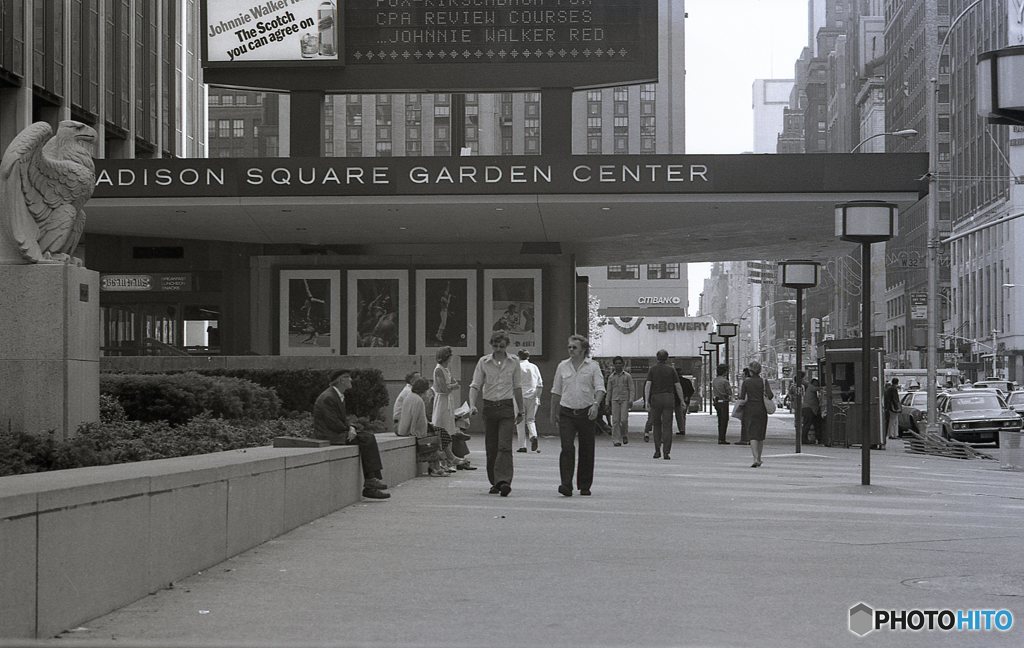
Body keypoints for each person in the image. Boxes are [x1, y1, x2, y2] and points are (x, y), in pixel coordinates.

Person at [313, 370, 390, 499]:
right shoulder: (328, 397)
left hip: (337, 432)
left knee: (368, 437)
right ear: (341, 380)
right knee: (367, 439)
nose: (351, 380)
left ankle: (371, 481)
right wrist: (349, 428)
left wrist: (351, 427)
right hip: (330, 435)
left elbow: (342, 420)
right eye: (348, 378)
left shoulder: (337, 396)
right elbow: (333, 422)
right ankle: (371, 482)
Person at [468, 330, 525, 497]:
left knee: (505, 445)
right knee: (491, 447)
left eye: (501, 346)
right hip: (490, 407)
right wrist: (472, 404)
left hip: (507, 407)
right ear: (491, 345)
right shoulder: (484, 362)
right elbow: (475, 385)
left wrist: (521, 410)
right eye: (495, 346)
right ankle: (494, 482)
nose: (498, 349)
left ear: (506, 346)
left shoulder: (514, 361)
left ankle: (504, 481)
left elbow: (517, 387)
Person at [550, 334, 606, 496]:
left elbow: (600, 388)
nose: (571, 350)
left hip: (586, 412)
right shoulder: (562, 366)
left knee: (587, 449)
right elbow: (556, 390)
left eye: (574, 347)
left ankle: (584, 485)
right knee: (567, 447)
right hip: (566, 412)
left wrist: (595, 405)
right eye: (569, 347)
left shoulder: (593, 366)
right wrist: (553, 413)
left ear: (583, 350)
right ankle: (566, 484)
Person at [432, 346, 472, 470]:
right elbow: (444, 388)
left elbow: (451, 383)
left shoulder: (446, 369)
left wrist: (453, 385)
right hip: (442, 401)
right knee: (442, 427)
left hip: (448, 400)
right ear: (446, 357)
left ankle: (450, 458)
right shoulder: (438, 370)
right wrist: (454, 386)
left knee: (449, 430)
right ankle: (447, 459)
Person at [398, 378, 448, 477]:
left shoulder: (410, 396)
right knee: (435, 438)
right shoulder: (418, 400)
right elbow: (415, 417)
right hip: (412, 430)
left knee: (436, 432)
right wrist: (413, 432)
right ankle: (436, 467)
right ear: (423, 390)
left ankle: (436, 466)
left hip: (405, 429)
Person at [644, 349, 685, 460]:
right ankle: (666, 452)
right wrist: (682, 400)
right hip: (669, 398)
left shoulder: (652, 370)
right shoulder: (671, 370)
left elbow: (648, 385)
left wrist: (646, 400)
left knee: (657, 425)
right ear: (667, 358)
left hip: (656, 398)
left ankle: (657, 450)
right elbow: (677, 386)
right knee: (667, 426)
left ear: (657, 358)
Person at [739, 361, 774, 468]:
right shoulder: (764, 381)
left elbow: (742, 397)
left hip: (749, 410)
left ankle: (755, 458)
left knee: (752, 434)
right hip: (762, 410)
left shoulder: (746, 382)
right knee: (760, 435)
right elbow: (770, 395)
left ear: (750, 371)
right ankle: (759, 458)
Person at [515, 349, 543, 453]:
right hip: (533, 395)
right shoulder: (534, 367)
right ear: (528, 357)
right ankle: (533, 435)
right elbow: (540, 385)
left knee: (520, 421)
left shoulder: (517, 367)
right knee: (531, 419)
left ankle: (522, 446)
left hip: (519, 396)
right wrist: (538, 398)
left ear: (518, 356)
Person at [605, 356, 633, 446]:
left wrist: (631, 400)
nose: (618, 365)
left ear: (623, 364)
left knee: (624, 420)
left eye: (619, 363)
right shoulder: (611, 377)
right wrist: (607, 402)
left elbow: (631, 389)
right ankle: (616, 440)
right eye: (616, 363)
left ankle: (624, 434)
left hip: (625, 399)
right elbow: (609, 390)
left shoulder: (627, 376)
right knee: (615, 421)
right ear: (614, 365)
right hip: (615, 400)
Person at [711, 363, 732, 444]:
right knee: (724, 420)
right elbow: (729, 392)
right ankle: (722, 438)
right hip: (723, 401)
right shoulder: (725, 381)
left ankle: (720, 438)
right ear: (725, 372)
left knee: (720, 420)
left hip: (717, 401)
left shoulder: (715, 380)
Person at [674, 369, 695, 436]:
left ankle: (681, 429)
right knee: (683, 415)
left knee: (679, 416)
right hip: (686, 400)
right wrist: (687, 396)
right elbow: (691, 390)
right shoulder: (687, 381)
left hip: (676, 401)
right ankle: (682, 429)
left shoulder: (674, 382)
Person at [802, 378, 822, 444]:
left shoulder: (810, 388)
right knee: (807, 424)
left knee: (808, 424)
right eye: (816, 383)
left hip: (810, 408)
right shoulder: (811, 387)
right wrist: (823, 388)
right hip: (809, 408)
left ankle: (807, 438)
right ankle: (804, 439)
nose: (817, 384)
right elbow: (816, 389)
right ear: (813, 383)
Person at [736, 367, 752, 445]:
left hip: (747, 405)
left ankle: (744, 439)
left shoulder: (746, 382)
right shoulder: (762, 381)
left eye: (743, 374)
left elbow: (742, 396)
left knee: (745, 422)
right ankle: (752, 439)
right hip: (758, 406)